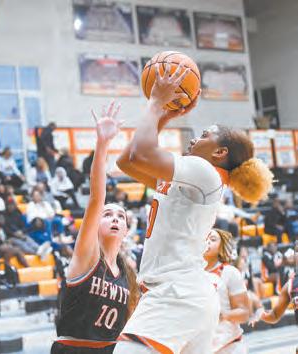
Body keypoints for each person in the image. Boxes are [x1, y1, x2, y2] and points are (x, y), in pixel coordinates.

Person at [114, 61, 273, 354]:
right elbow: (127, 162)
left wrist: (156, 103)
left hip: (176, 294)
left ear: (220, 152)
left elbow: (140, 152)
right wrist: (163, 115)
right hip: (184, 296)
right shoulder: (197, 177)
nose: (195, 138)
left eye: (205, 135)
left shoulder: (204, 172)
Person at [50, 102, 139, 354]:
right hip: (75, 349)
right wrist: (103, 144)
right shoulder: (88, 256)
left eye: (120, 216)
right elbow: (96, 199)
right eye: (107, 214)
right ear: (95, 224)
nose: (114, 219)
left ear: (126, 229)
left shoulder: (127, 271)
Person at [204, 229, 249, 354]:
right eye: (204, 238)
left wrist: (223, 315)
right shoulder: (190, 274)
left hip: (229, 346)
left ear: (221, 247)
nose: (207, 242)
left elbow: (245, 313)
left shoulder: (230, 272)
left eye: (213, 240)